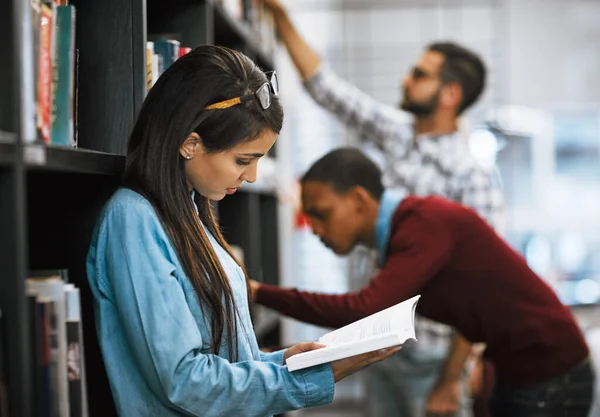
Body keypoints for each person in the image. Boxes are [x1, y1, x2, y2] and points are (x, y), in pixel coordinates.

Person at [85, 45, 398, 417]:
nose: (250, 177)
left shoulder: (190, 212)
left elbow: (222, 354)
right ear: (190, 143)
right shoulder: (132, 222)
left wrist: (281, 362)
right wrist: (304, 382)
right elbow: (184, 381)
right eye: (243, 160)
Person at [261, 0, 504, 415]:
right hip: (379, 343)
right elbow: (325, 87)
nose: (406, 78)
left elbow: (484, 287)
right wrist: (280, 16)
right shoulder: (396, 133)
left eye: (420, 74)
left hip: (433, 354)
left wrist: (452, 377)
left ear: (450, 94)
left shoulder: (471, 178)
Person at [250, 147, 596, 417]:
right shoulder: (407, 229)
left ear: (358, 199)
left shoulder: (422, 223)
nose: (315, 230)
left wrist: (259, 292)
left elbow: (365, 309)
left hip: (551, 374)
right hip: (520, 370)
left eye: (321, 214)